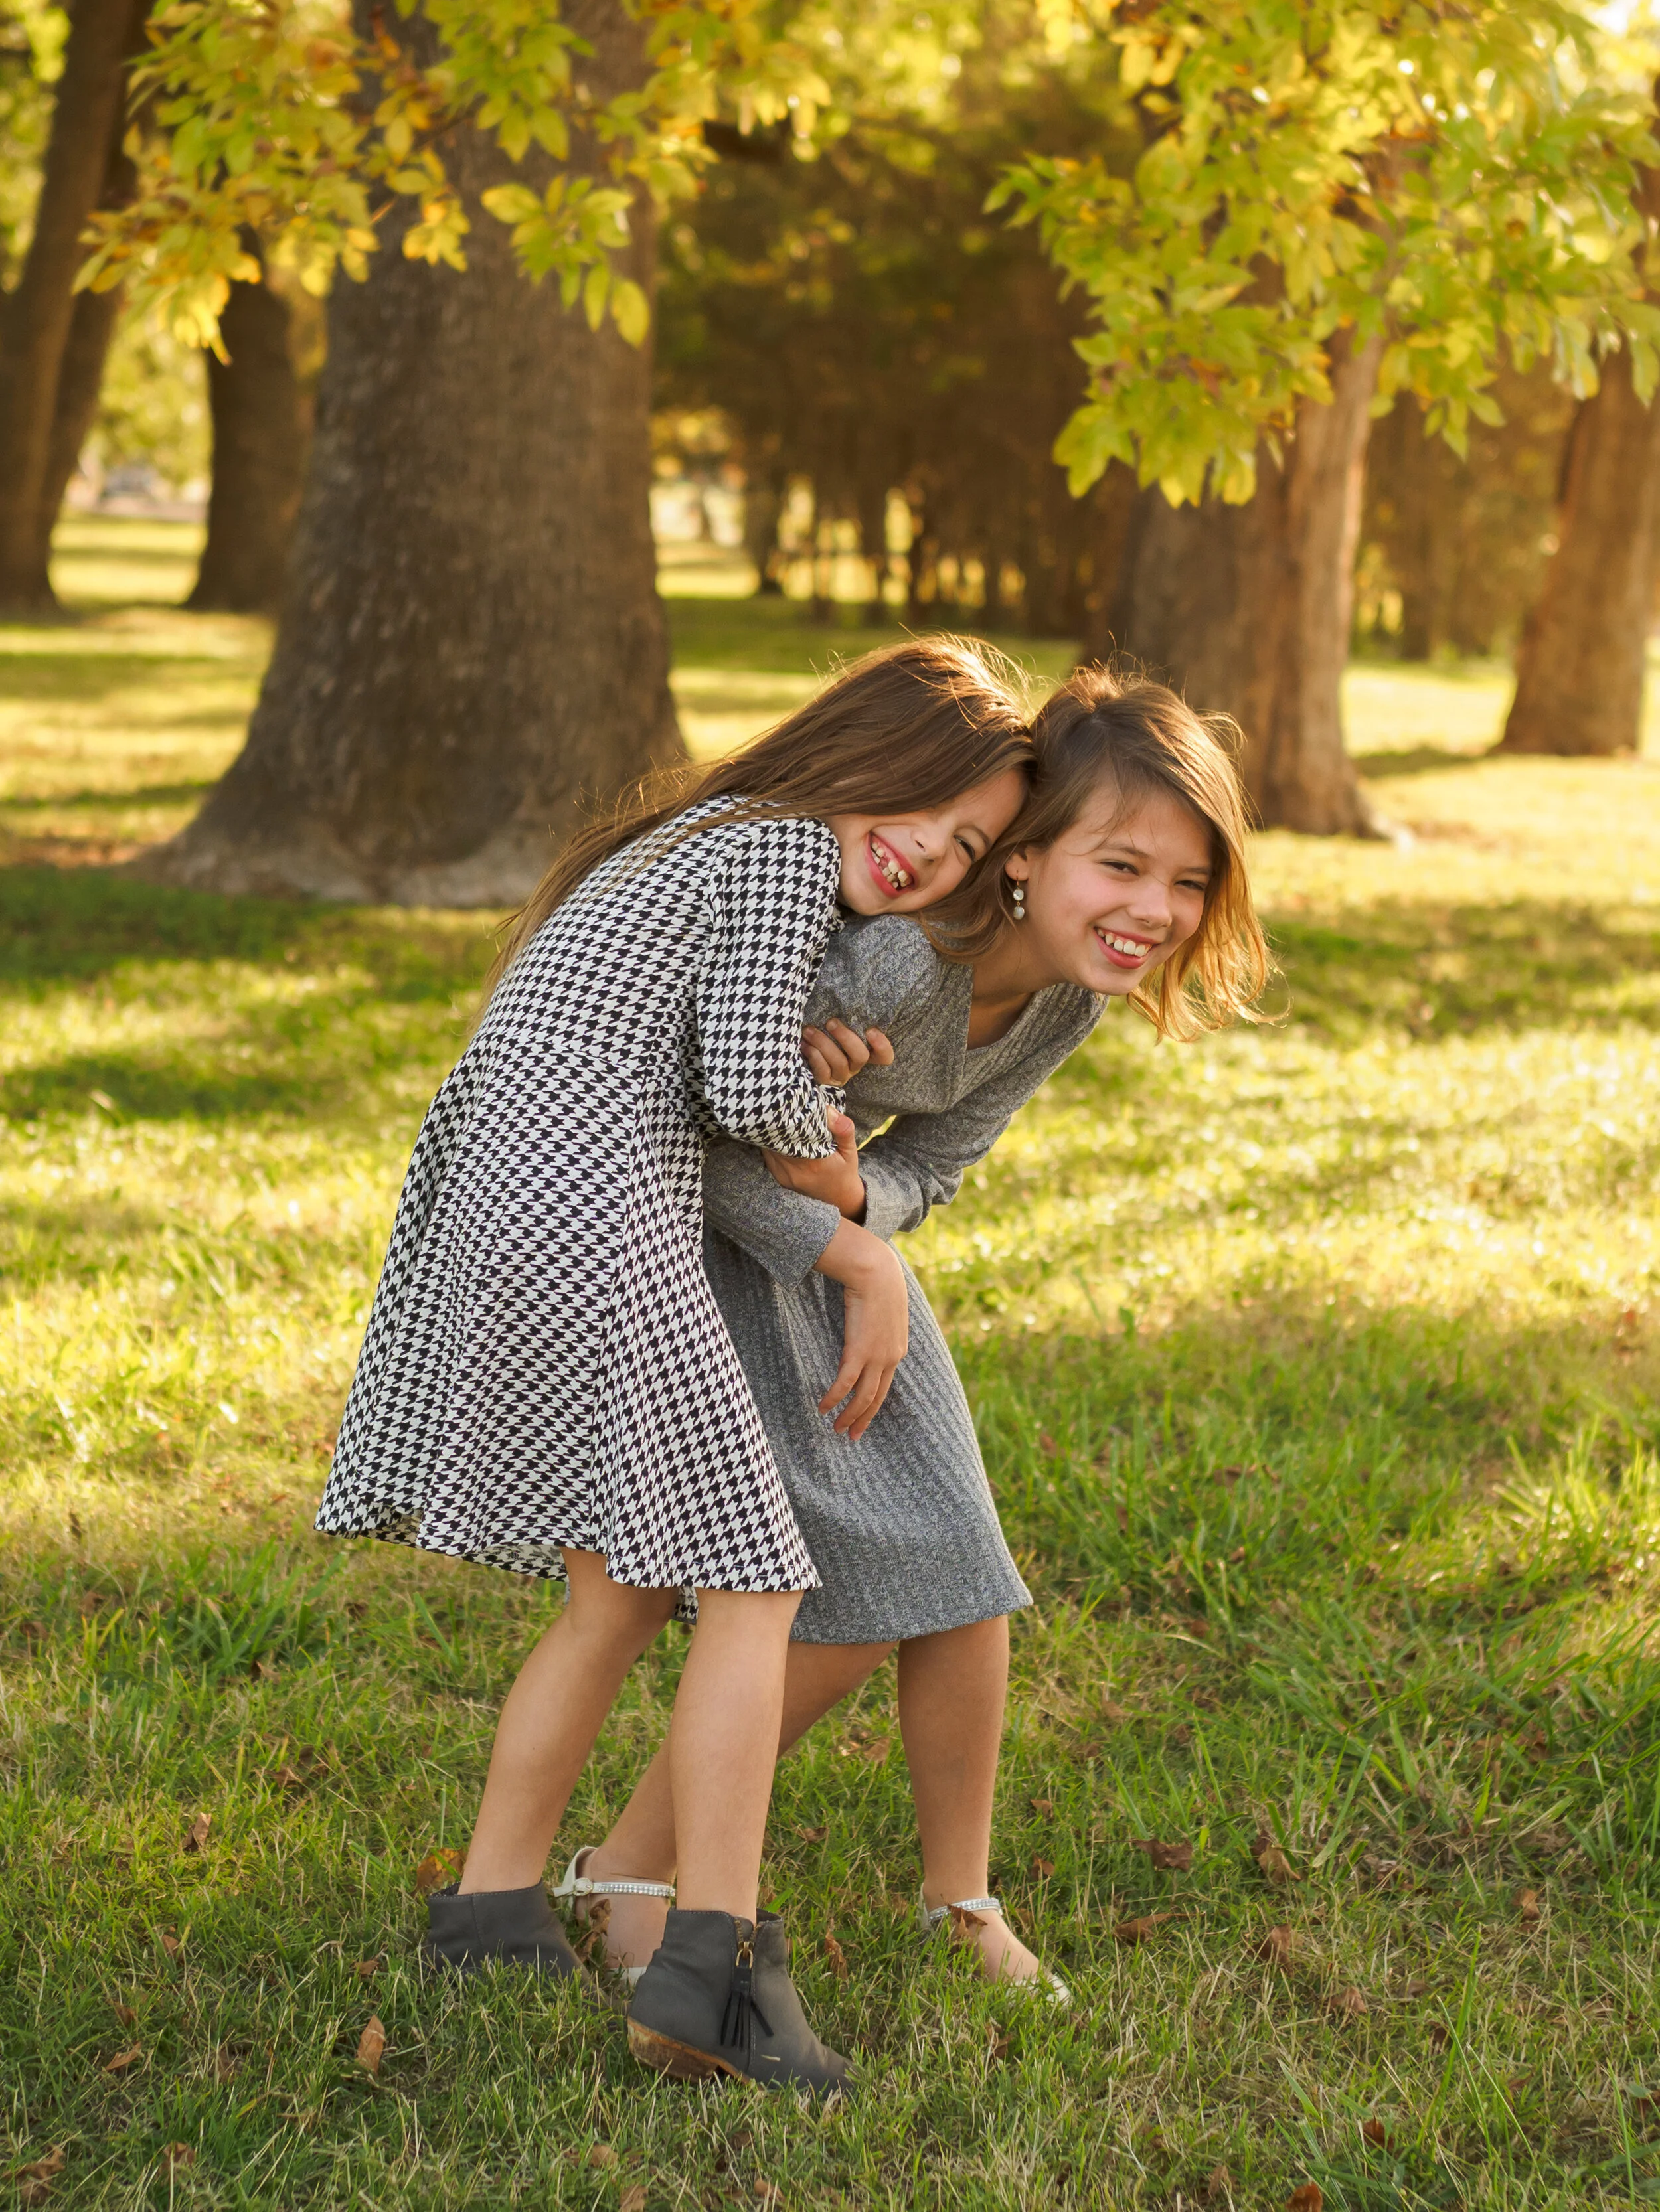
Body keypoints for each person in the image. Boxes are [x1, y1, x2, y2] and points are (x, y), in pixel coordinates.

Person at [313, 637, 1033, 2093]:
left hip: (513, 1182)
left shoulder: (704, 841)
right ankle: (711, 1968)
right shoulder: (773, 850)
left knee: (617, 1589)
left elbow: (729, 1044)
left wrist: (805, 1085)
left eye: (965, 851)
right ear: (857, 747)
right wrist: (836, 1186)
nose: (927, 857)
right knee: (758, 1581)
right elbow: (740, 1080)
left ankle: (494, 1905)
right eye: (926, 808)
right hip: (597, 1193)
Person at [559, 663, 1271, 2003]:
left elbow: (935, 1157)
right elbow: (699, 1132)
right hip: (703, 1246)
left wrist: (860, 1209)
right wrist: (843, 1243)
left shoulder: (1068, 992)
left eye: (1184, 886)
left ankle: (960, 1898)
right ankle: (624, 1870)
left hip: (833, 1253)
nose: (1152, 914)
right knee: (841, 1594)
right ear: (1021, 859)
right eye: (1120, 865)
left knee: (957, 1549)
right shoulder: (891, 956)